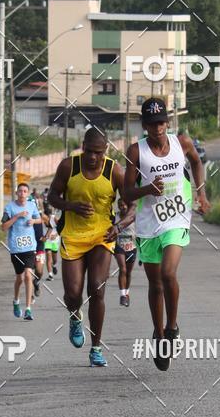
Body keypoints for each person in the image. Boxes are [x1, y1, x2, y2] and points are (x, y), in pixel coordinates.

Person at [123, 97, 209, 371]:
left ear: (167, 123)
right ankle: (158, 334)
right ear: (145, 125)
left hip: (177, 217)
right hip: (149, 223)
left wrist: (201, 194)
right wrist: (147, 189)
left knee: (168, 274)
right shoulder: (136, 151)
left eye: (161, 122)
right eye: (152, 123)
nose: (157, 128)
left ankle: (172, 327)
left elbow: (196, 163)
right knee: (155, 284)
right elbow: (125, 193)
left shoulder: (181, 143)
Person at [48, 126, 135, 367]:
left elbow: (133, 206)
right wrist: (71, 206)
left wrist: (118, 227)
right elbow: (52, 197)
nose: (93, 157)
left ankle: (96, 348)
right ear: (83, 147)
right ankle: (75, 316)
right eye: (89, 151)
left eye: (98, 152)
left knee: (97, 288)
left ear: (105, 150)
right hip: (73, 237)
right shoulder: (68, 166)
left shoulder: (114, 171)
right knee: (73, 294)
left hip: (101, 236)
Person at [1, 182, 39, 321]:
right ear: (17, 193)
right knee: (20, 278)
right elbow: (3, 227)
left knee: (28, 276)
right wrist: (16, 216)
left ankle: (28, 309)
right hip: (16, 248)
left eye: (25, 191)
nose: (22, 193)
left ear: (28, 194)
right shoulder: (9, 207)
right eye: (20, 191)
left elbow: (39, 219)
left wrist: (34, 222)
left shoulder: (32, 205)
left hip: (30, 247)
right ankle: (16, 301)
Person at [114, 198, 136, 307]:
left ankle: (127, 293)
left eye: (124, 205)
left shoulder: (132, 217)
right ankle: (122, 295)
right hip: (119, 246)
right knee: (122, 269)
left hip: (132, 247)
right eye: (120, 205)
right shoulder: (115, 217)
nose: (123, 207)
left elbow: (140, 233)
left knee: (128, 272)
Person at [43, 204, 60, 281]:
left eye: (49, 217)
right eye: (47, 217)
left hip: (55, 240)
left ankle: (54, 265)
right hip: (47, 241)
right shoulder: (41, 220)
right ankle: (50, 275)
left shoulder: (54, 218)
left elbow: (61, 228)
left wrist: (56, 235)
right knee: (48, 256)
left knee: (54, 258)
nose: (48, 218)